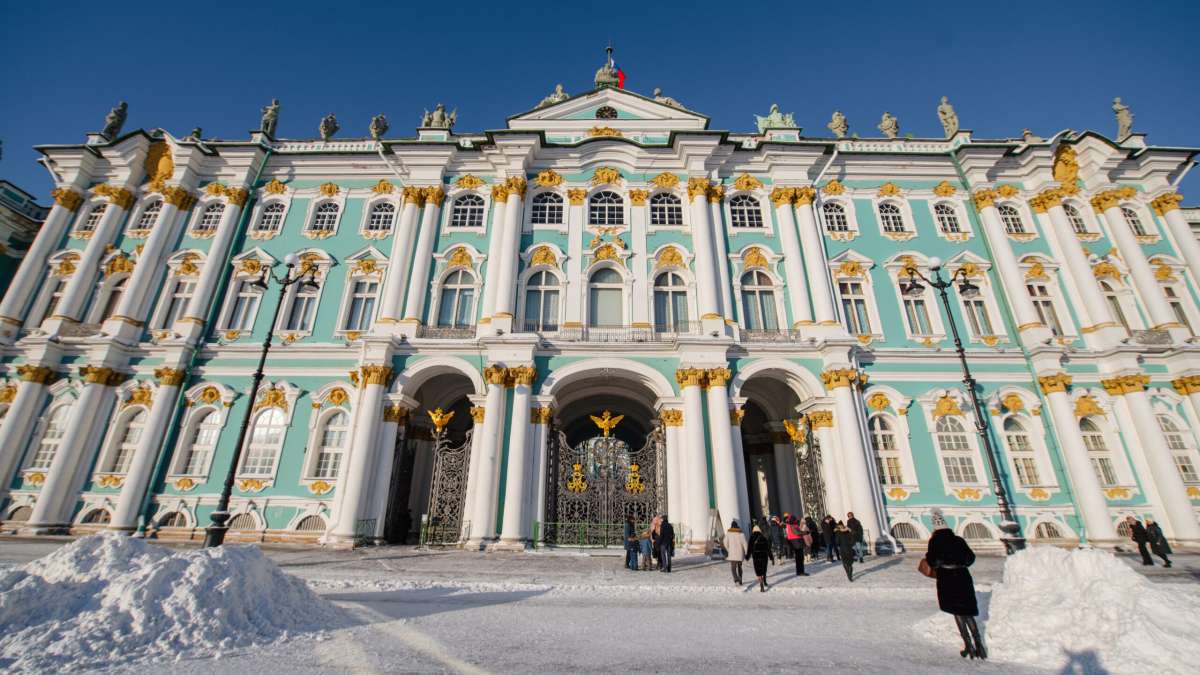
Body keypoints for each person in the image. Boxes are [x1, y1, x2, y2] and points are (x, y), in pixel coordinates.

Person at [925, 509, 986, 660]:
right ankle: (979, 646)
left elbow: (932, 562)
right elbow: (970, 558)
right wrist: (960, 564)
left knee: (957, 612)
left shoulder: (935, 541)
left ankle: (969, 647)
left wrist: (939, 562)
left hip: (947, 578)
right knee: (967, 611)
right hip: (963, 576)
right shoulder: (958, 540)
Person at [747, 524, 775, 592]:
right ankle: (765, 581)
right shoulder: (763, 537)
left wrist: (747, 557)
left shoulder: (752, 538)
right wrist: (771, 558)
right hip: (764, 556)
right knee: (764, 569)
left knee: (759, 572)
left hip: (756, 557)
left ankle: (761, 585)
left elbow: (750, 548)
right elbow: (768, 549)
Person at [725, 520, 748, 586]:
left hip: (732, 554)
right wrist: (746, 552)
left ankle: (736, 580)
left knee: (733, 568)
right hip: (740, 553)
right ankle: (740, 580)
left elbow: (725, 542)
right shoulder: (741, 534)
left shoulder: (728, 533)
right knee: (740, 567)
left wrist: (728, 549)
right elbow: (745, 544)